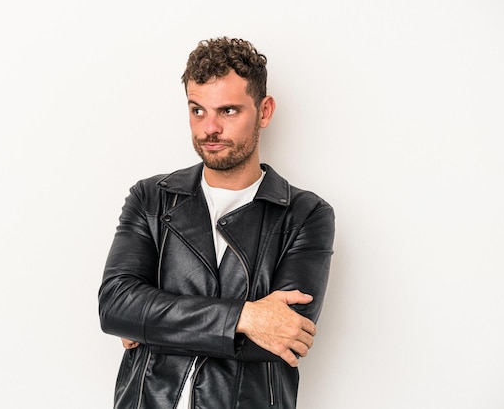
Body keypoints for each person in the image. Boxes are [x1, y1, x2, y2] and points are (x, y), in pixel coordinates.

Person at [98, 36, 335, 409]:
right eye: (197, 111)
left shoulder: (305, 214)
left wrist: (151, 324)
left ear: (265, 110)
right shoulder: (150, 198)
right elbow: (115, 306)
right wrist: (245, 315)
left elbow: (284, 336)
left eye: (227, 111)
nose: (209, 129)